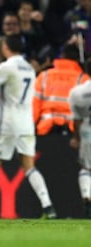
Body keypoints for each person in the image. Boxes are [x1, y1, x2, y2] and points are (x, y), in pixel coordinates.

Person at [0, 35, 56, 219]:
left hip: (7, 124)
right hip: (26, 123)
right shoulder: (29, 68)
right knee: (29, 166)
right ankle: (48, 207)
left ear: (5, 47)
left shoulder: (6, 67)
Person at [33, 44, 88, 136]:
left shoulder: (44, 76)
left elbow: (34, 106)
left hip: (45, 129)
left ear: (62, 56)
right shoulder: (84, 79)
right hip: (74, 132)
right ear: (78, 60)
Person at [68, 58, 91, 218]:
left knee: (86, 168)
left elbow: (77, 119)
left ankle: (87, 195)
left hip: (87, 133)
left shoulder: (77, 92)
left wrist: (76, 137)